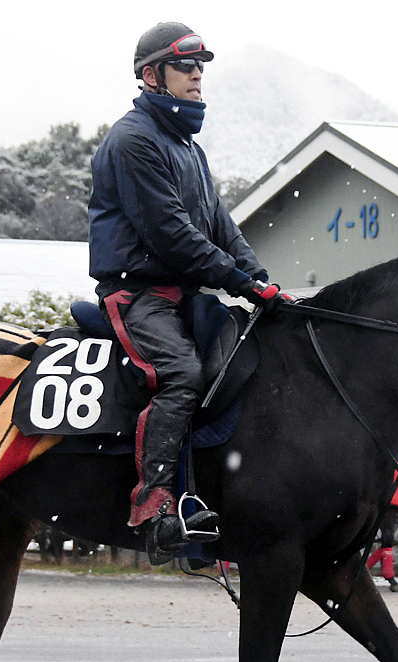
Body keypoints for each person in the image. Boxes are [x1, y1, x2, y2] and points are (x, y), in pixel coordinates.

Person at [89, 22, 285, 564]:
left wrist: (265, 286)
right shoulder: (132, 140)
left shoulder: (187, 148)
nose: (198, 74)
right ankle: (154, 507)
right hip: (139, 296)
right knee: (182, 375)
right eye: (185, 65)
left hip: (186, 293)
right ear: (152, 76)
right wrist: (243, 284)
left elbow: (223, 228)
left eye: (202, 65)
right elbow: (171, 234)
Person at [366, 450, 398, 592]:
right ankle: (387, 574)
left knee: (387, 537)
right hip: (391, 497)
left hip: (391, 496)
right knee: (387, 537)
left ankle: (366, 568)